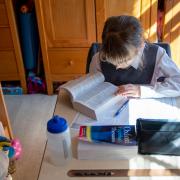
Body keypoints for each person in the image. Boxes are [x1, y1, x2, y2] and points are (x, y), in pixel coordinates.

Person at [89, 15, 180, 98]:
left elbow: (178, 83)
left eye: (124, 61)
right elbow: (91, 88)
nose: (117, 66)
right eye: (110, 60)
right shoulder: (98, 59)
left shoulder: (157, 54)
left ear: (140, 46)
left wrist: (142, 91)